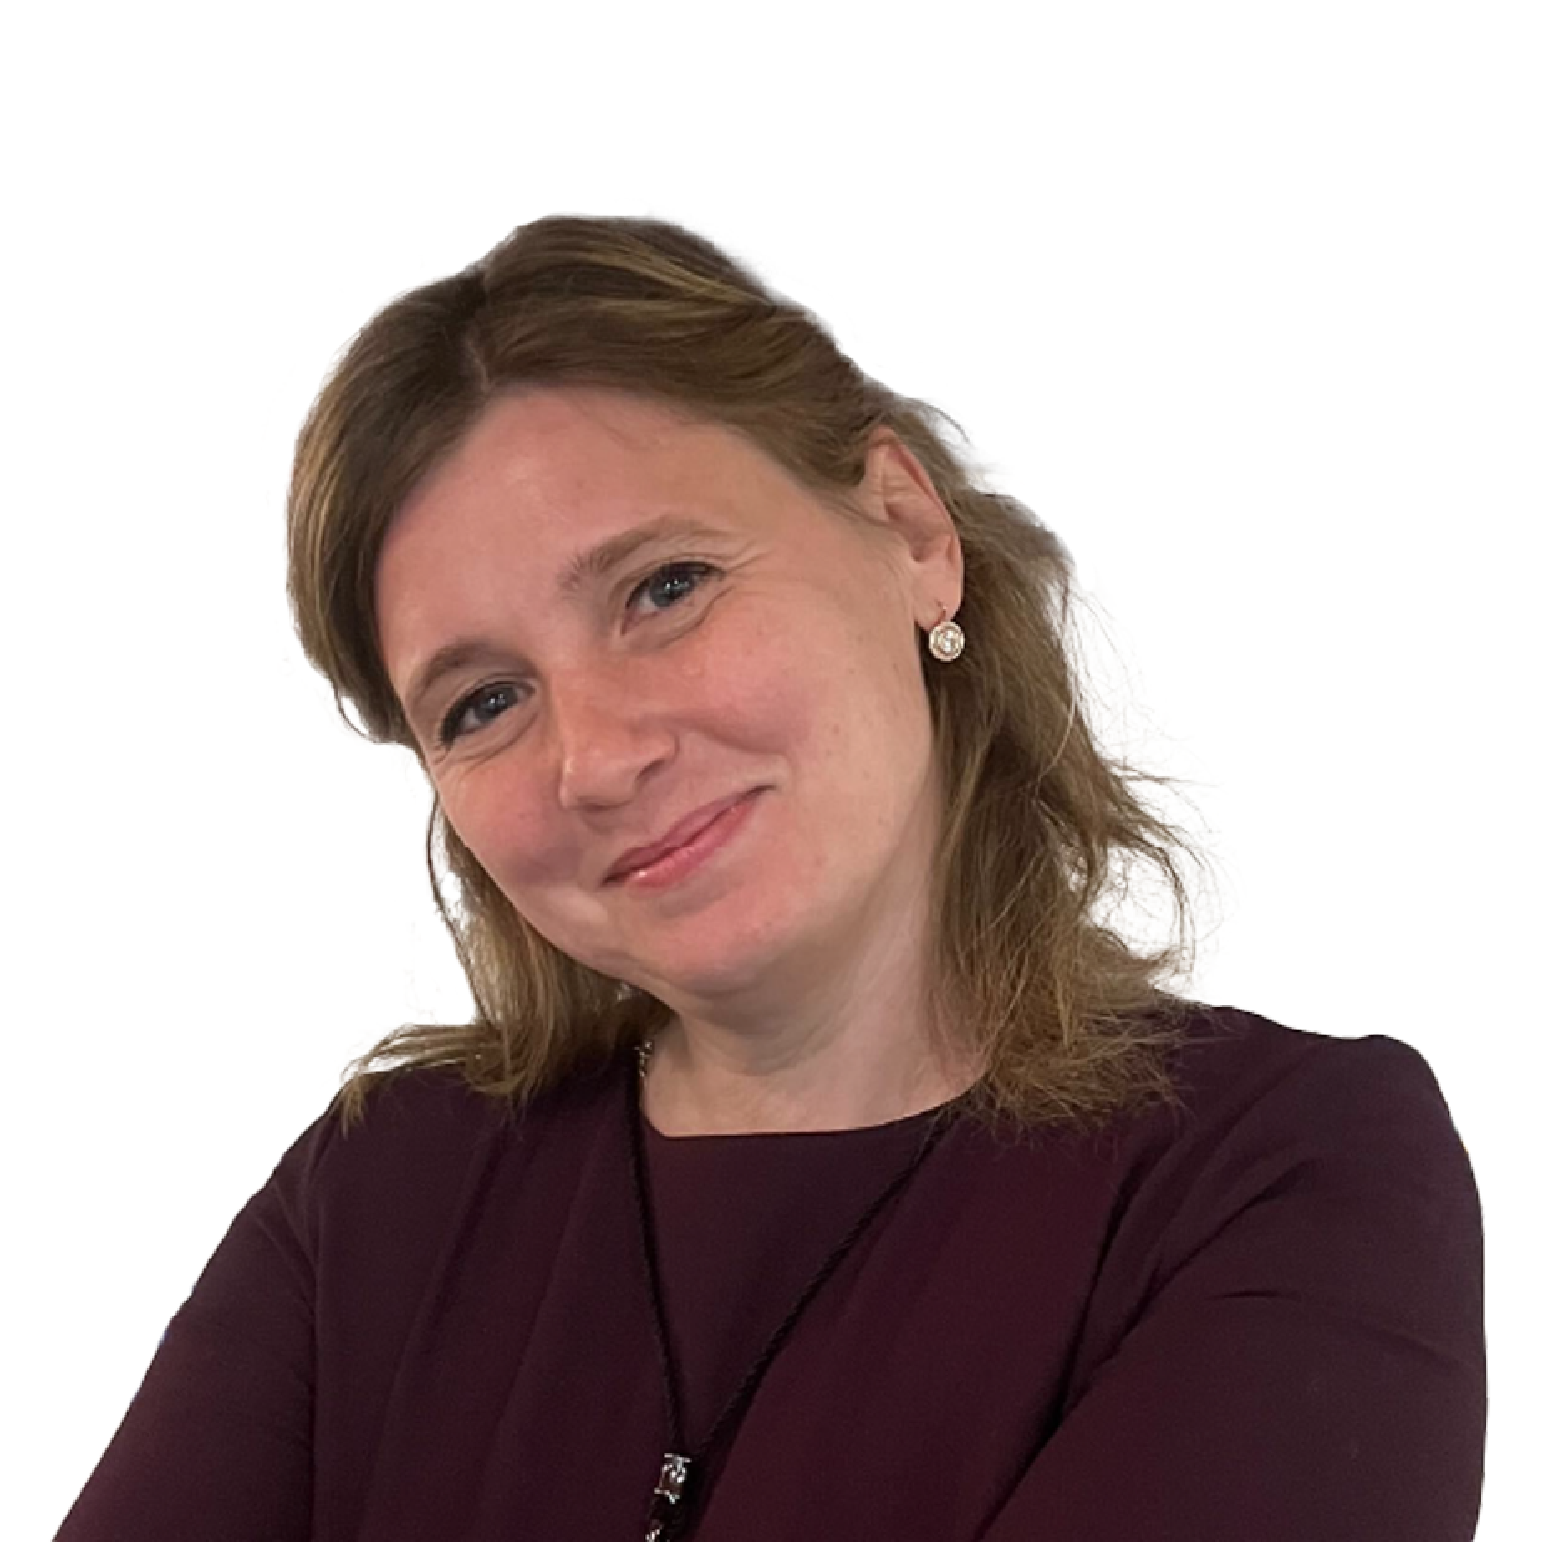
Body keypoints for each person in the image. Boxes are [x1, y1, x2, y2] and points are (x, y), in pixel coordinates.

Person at [57, 216, 1486, 1541]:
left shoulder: (1284, 1173)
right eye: (483, 702)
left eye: (664, 586)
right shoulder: (375, 1193)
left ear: (909, 534)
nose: (597, 757)